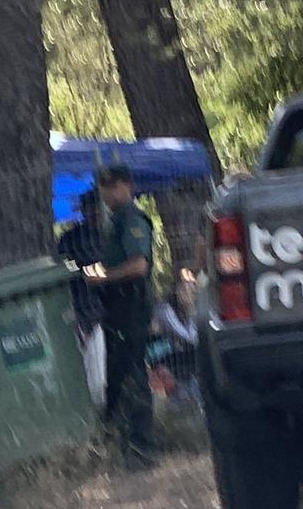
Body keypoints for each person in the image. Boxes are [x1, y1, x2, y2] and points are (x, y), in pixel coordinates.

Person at [86, 164, 156, 465]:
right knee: (117, 375)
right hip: (117, 306)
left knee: (133, 376)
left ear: (127, 185)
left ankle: (141, 447)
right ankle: (119, 441)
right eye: (104, 187)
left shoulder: (131, 219)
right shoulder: (115, 220)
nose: (108, 193)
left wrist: (106, 276)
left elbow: (139, 265)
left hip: (131, 304)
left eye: (112, 186)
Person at [56, 188, 108, 410]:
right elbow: (64, 271)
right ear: (84, 210)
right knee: (85, 373)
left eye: (98, 207)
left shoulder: (112, 236)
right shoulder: (71, 239)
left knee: (102, 375)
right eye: (90, 208)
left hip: (108, 313)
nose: (95, 212)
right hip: (79, 310)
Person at [151, 268, 200, 400]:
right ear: (176, 290)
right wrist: (191, 312)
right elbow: (189, 338)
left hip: (183, 362)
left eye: (192, 290)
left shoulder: (192, 313)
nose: (188, 294)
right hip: (162, 360)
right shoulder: (164, 310)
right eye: (183, 289)